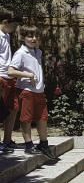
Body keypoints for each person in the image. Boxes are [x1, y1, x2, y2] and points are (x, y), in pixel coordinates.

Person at [8, 25, 54, 160]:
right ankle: (29, 144)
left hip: (39, 90)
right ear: (23, 38)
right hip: (26, 90)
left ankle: (43, 143)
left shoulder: (37, 52)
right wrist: (27, 75)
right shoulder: (21, 53)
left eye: (36, 36)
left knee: (42, 117)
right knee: (26, 118)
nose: (34, 39)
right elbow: (10, 71)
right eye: (30, 36)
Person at [0, 10, 20, 153]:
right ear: (5, 23)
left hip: (10, 77)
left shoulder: (6, 35)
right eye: (14, 26)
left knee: (13, 108)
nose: (15, 29)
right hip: (1, 77)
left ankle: (7, 140)